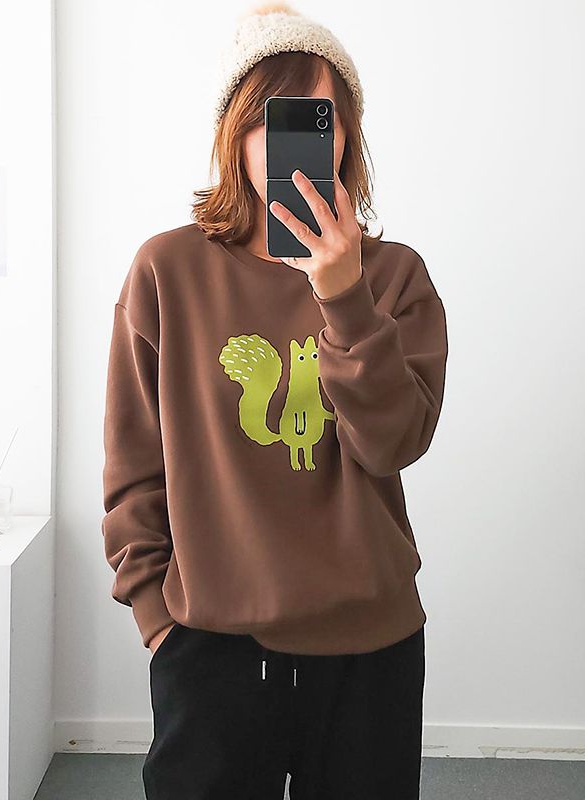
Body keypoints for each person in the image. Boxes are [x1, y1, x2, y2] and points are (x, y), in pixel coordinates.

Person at [101, 4, 448, 798]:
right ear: (233, 134)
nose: (289, 143)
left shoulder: (396, 277)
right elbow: (133, 468)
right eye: (268, 118)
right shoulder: (166, 273)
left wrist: (345, 297)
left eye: (314, 120)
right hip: (210, 648)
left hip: (370, 648)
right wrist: (157, 620)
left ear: (346, 137)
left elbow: (393, 442)